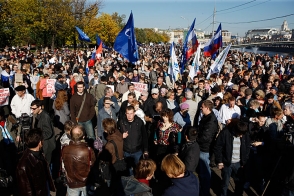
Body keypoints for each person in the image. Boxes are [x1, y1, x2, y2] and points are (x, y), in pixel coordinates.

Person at [214, 120, 251, 196]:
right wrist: (219, 161)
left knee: (239, 183)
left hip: (239, 163)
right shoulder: (225, 133)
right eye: (240, 134)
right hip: (227, 163)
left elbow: (247, 147)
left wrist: (244, 160)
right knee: (225, 183)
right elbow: (218, 147)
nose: (241, 136)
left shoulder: (245, 134)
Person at [16, 129, 56, 196]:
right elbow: (26, 190)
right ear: (40, 142)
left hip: (44, 190)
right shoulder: (23, 166)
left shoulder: (40, 154)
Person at [61, 125, 96, 196]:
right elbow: (93, 165)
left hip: (72, 183)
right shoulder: (88, 150)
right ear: (83, 137)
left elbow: (64, 164)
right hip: (85, 182)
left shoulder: (65, 149)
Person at [196, 100, 218, 196]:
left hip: (205, 149)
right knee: (202, 172)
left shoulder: (211, 121)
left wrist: (195, 139)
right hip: (202, 147)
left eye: (202, 107)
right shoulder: (206, 117)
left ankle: (205, 192)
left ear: (207, 108)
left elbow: (206, 137)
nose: (201, 108)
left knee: (205, 173)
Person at [118, 106, 149, 174]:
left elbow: (144, 136)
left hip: (137, 151)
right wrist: (121, 136)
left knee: (138, 169)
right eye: (128, 113)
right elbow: (116, 135)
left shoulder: (139, 122)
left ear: (134, 113)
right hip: (126, 151)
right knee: (129, 170)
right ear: (125, 113)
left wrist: (145, 150)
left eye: (131, 113)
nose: (129, 115)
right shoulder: (121, 122)